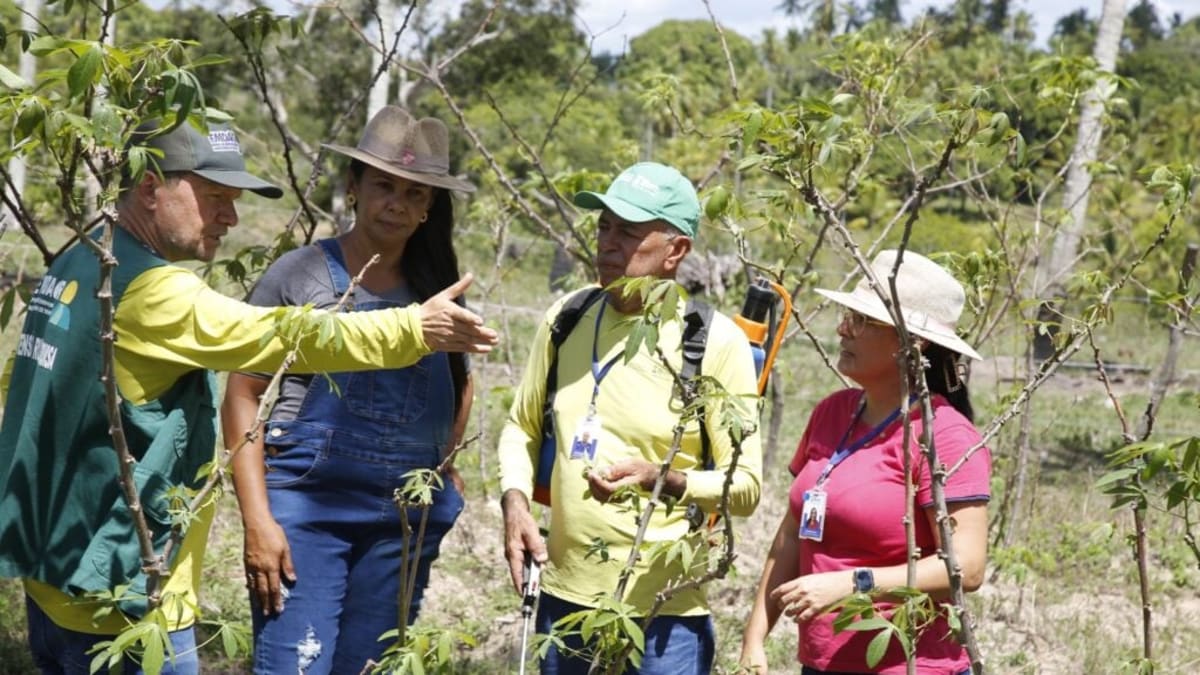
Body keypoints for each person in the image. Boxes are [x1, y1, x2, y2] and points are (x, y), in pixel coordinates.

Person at [0, 118, 498, 675]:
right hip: (123, 596)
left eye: (234, 201)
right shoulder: (157, 290)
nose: (231, 218)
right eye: (215, 198)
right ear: (149, 190)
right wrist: (411, 329)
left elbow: (17, 390)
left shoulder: (78, 260)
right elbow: (275, 337)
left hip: (55, 574)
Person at [220, 106, 478, 674]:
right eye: (384, 185)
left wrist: (446, 462)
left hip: (401, 522)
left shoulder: (438, 289)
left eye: (415, 193)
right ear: (353, 187)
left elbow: (461, 383)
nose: (398, 203)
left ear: (430, 205)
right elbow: (242, 395)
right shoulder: (300, 275)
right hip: (307, 513)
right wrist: (258, 522)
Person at [498, 162, 763, 674]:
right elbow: (521, 427)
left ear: (676, 251)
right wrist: (515, 503)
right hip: (564, 598)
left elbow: (746, 487)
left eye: (629, 231)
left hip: (665, 614)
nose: (608, 243)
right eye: (604, 226)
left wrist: (661, 478)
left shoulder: (713, 342)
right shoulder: (566, 318)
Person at [739, 250, 991, 675]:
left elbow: (966, 566)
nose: (842, 329)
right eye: (846, 315)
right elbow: (790, 534)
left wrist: (853, 584)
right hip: (822, 663)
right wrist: (754, 640)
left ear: (914, 341)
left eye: (860, 321)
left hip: (912, 665)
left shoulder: (943, 436)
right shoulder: (833, 412)